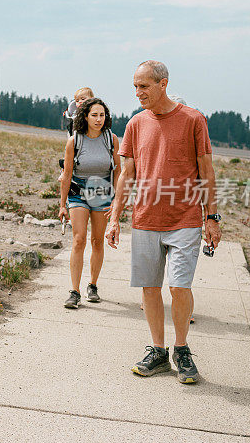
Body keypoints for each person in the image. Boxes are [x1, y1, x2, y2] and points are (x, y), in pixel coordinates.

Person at [106, 60, 221, 385]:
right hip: (144, 219)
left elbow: (206, 172)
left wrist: (211, 217)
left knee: (179, 286)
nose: (138, 93)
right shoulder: (135, 124)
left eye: (144, 86)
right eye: (135, 87)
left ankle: (181, 348)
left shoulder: (193, 120)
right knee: (150, 287)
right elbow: (127, 176)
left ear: (163, 84)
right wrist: (115, 217)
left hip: (184, 219)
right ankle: (158, 350)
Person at [58, 98, 120, 308]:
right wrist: (62, 204)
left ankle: (92, 285)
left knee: (97, 241)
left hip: (102, 189)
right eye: (94, 115)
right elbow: (66, 175)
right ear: (85, 116)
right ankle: (74, 291)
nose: (98, 119)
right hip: (78, 191)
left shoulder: (111, 139)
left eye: (102, 115)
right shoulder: (74, 140)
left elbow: (118, 171)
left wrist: (116, 199)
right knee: (78, 240)